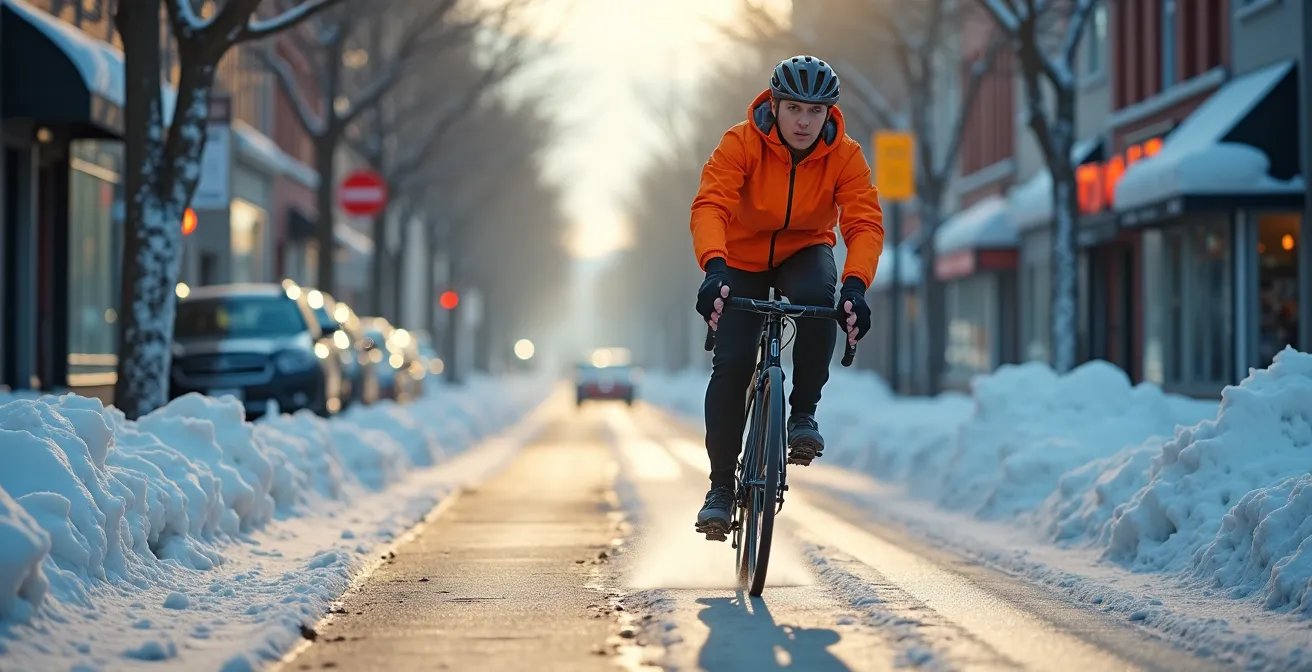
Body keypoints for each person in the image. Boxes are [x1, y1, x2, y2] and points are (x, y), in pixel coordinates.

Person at [689, 55, 884, 538]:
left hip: (805, 250)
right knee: (732, 364)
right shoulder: (740, 142)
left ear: (829, 115)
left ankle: (802, 415)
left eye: (814, 112)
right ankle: (719, 489)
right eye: (793, 107)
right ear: (773, 105)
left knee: (822, 298)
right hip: (741, 255)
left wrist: (856, 285)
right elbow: (711, 204)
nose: (803, 121)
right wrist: (714, 267)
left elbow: (863, 222)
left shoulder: (846, 156)